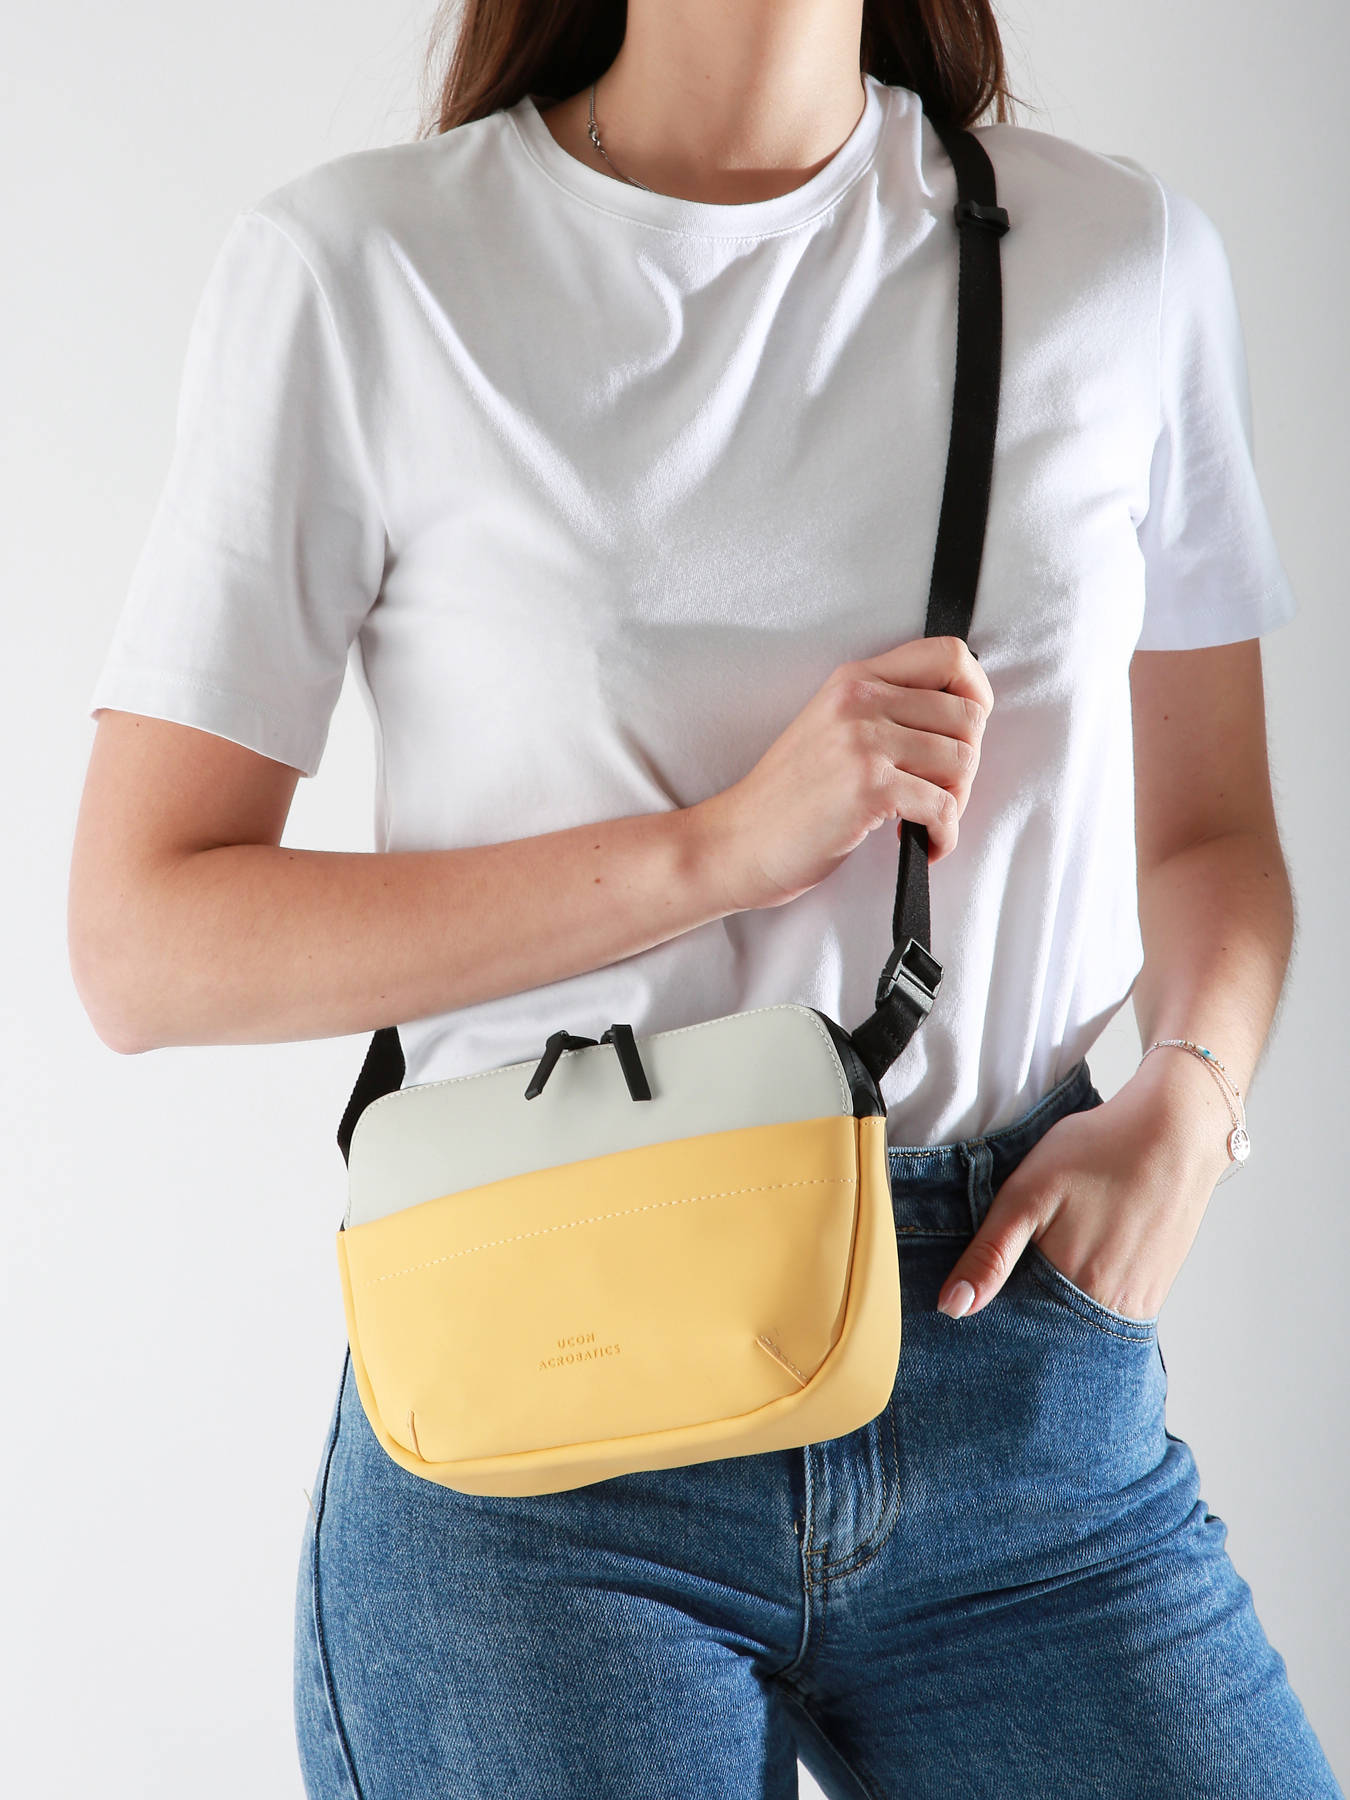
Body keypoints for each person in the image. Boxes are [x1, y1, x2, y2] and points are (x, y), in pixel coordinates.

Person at [68, 1, 1344, 1795]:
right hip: (545, 1443)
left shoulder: (1114, 258)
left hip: (1019, 1373)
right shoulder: (364, 272)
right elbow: (143, 943)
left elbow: (1209, 831)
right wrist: (721, 849)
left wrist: (1192, 1100)